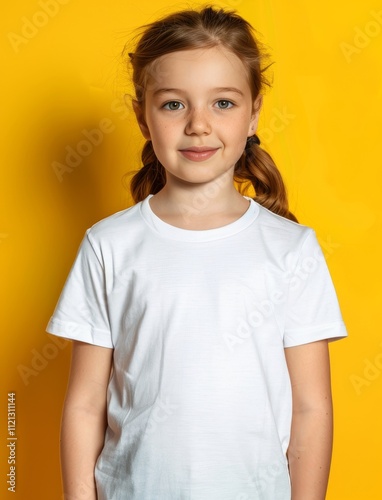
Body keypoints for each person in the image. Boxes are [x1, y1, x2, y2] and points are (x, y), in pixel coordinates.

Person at [46, 5, 347, 500]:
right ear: (143, 116)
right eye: (173, 105)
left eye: (223, 103)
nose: (199, 125)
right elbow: (83, 404)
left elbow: (312, 409)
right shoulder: (109, 245)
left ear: (254, 114)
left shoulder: (293, 248)